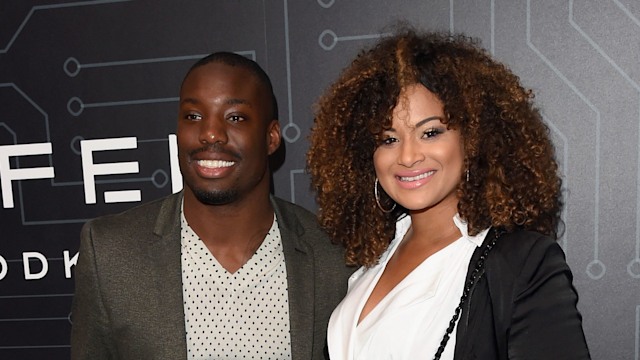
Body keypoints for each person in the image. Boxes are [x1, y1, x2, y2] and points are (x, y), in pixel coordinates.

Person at [306, 29, 591, 359]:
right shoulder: (369, 261)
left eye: (430, 132)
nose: (408, 156)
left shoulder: (521, 263)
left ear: (472, 140)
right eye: (388, 139)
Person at [70, 52, 352, 360]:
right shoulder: (111, 253)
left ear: (271, 138)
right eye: (193, 116)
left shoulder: (332, 256)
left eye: (235, 117)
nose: (210, 133)